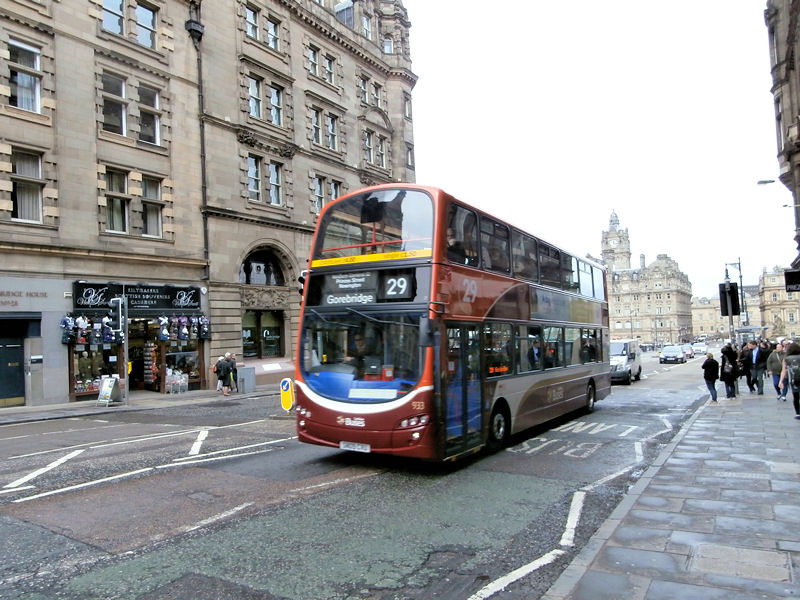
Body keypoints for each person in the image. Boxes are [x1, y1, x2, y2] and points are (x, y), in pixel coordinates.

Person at [779, 342, 800, 419]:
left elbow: (783, 370)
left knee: (796, 396)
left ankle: (798, 413)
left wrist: (781, 381)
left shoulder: (786, 359)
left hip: (793, 379)